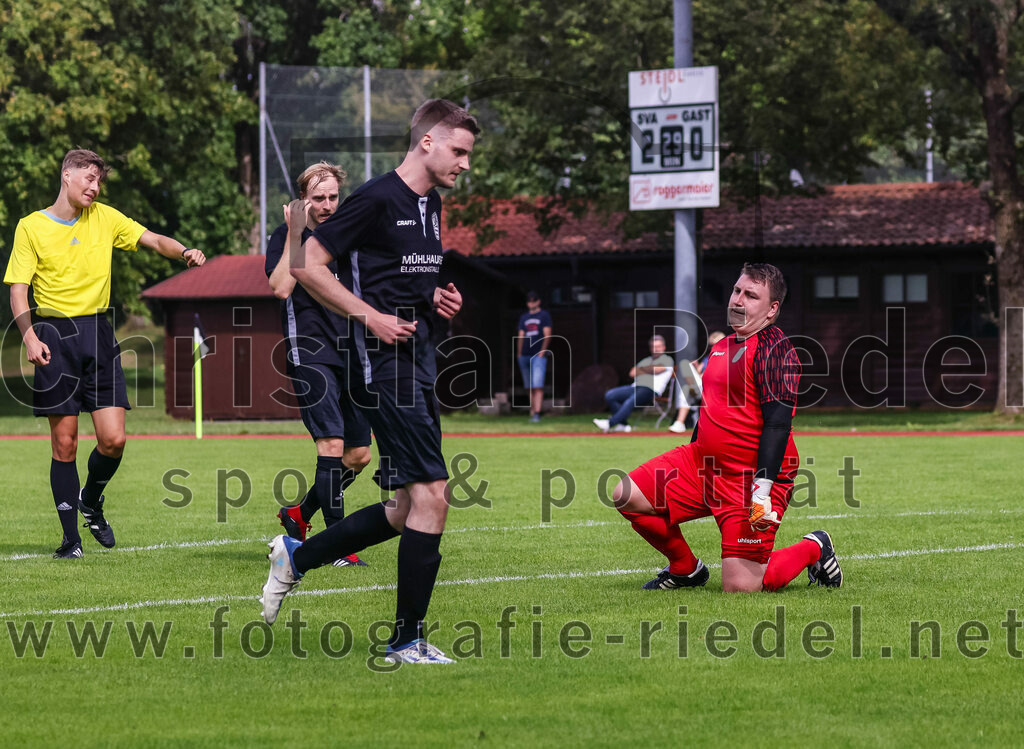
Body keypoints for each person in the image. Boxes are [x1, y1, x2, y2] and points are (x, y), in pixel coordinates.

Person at [260, 98, 477, 665]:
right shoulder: (377, 197)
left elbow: (398, 277)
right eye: (459, 151)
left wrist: (436, 296)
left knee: (406, 508)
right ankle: (406, 640)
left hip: (419, 361)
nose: (465, 164)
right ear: (427, 141)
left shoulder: (430, 205)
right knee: (433, 497)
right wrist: (369, 316)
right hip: (383, 368)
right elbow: (306, 266)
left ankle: (295, 557)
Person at [4, 149, 206, 559]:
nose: (95, 187)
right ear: (67, 175)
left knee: (114, 440)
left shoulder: (106, 218)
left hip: (98, 333)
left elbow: (154, 239)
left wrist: (183, 250)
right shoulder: (31, 226)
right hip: (54, 335)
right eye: (89, 178)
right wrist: (29, 337)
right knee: (65, 444)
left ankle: (91, 500)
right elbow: (18, 290)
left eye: (99, 181)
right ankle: (70, 542)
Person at [611, 263, 842, 593]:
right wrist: (694, 448)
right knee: (626, 494)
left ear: (772, 309)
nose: (738, 300)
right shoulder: (724, 345)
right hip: (703, 465)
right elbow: (711, 408)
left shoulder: (775, 350)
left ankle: (815, 547)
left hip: (749, 479)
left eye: (751, 295)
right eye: (737, 290)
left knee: (741, 587)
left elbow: (778, 423)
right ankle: (685, 569)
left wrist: (762, 490)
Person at [265, 161, 371, 567]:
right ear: (302, 200)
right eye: (318, 198)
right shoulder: (285, 236)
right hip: (310, 351)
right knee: (331, 444)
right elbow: (280, 287)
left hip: (352, 351)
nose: (327, 205)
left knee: (358, 455)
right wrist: (295, 233)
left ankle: (300, 513)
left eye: (332, 197)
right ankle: (337, 546)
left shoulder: (349, 234)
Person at [593, 335, 674, 433]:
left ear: (664, 347)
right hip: (635, 387)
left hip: (651, 389)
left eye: (658, 346)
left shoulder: (667, 360)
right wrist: (649, 369)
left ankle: (610, 423)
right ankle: (623, 425)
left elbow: (657, 370)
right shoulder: (646, 360)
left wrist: (641, 369)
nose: (656, 349)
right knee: (610, 395)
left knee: (630, 401)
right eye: (653, 346)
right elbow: (632, 373)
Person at [668, 330, 726, 434]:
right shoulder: (708, 357)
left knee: (686, 387)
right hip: (702, 386)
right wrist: (696, 367)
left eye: (715, 344)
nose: (713, 347)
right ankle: (680, 422)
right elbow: (700, 371)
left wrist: (703, 375)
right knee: (687, 369)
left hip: (712, 388)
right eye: (711, 345)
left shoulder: (726, 357)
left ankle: (680, 422)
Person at [516, 291, 552, 422]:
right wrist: (519, 353)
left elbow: (547, 335)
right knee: (528, 386)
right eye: (529, 301)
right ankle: (533, 410)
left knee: (537, 384)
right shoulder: (524, 317)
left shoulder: (544, 315)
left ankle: (537, 413)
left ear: (538, 301)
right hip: (524, 355)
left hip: (538, 355)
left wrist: (542, 352)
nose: (531, 303)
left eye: (533, 300)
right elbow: (521, 336)